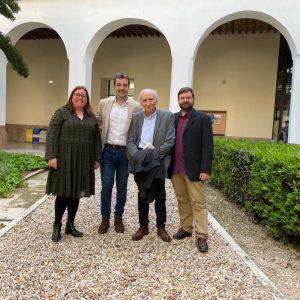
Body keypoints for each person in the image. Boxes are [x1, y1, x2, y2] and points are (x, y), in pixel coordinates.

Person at [45, 86, 101, 242]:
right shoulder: (62, 113)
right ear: (71, 96)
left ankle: (70, 225)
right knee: (63, 192)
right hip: (64, 158)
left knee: (76, 192)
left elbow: (97, 138)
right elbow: (51, 134)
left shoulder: (91, 117)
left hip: (83, 160)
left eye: (84, 96)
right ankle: (57, 225)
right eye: (77, 95)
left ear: (87, 99)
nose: (80, 98)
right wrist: (51, 156)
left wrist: (97, 158)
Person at [96, 72, 142, 234]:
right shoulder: (104, 103)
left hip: (125, 153)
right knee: (106, 186)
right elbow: (96, 124)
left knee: (122, 186)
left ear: (128, 87)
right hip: (107, 151)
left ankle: (118, 217)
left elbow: (139, 129)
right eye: (118, 85)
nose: (121, 88)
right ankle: (105, 219)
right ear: (114, 86)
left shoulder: (136, 106)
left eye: (124, 85)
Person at [168, 87, 213, 252]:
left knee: (198, 203)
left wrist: (205, 169)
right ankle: (186, 228)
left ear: (193, 99)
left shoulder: (202, 119)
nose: (185, 100)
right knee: (182, 200)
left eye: (188, 97)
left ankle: (202, 236)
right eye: (182, 98)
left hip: (194, 169)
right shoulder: (173, 119)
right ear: (178, 100)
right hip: (176, 169)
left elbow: (208, 146)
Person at [127, 89, 175, 242]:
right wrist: (137, 155)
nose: (148, 103)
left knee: (160, 194)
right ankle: (143, 226)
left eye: (151, 99)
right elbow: (130, 141)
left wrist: (154, 154)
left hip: (158, 158)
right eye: (145, 100)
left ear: (156, 100)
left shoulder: (167, 116)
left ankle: (161, 226)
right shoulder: (136, 118)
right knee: (143, 193)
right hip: (141, 158)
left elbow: (170, 141)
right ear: (141, 102)